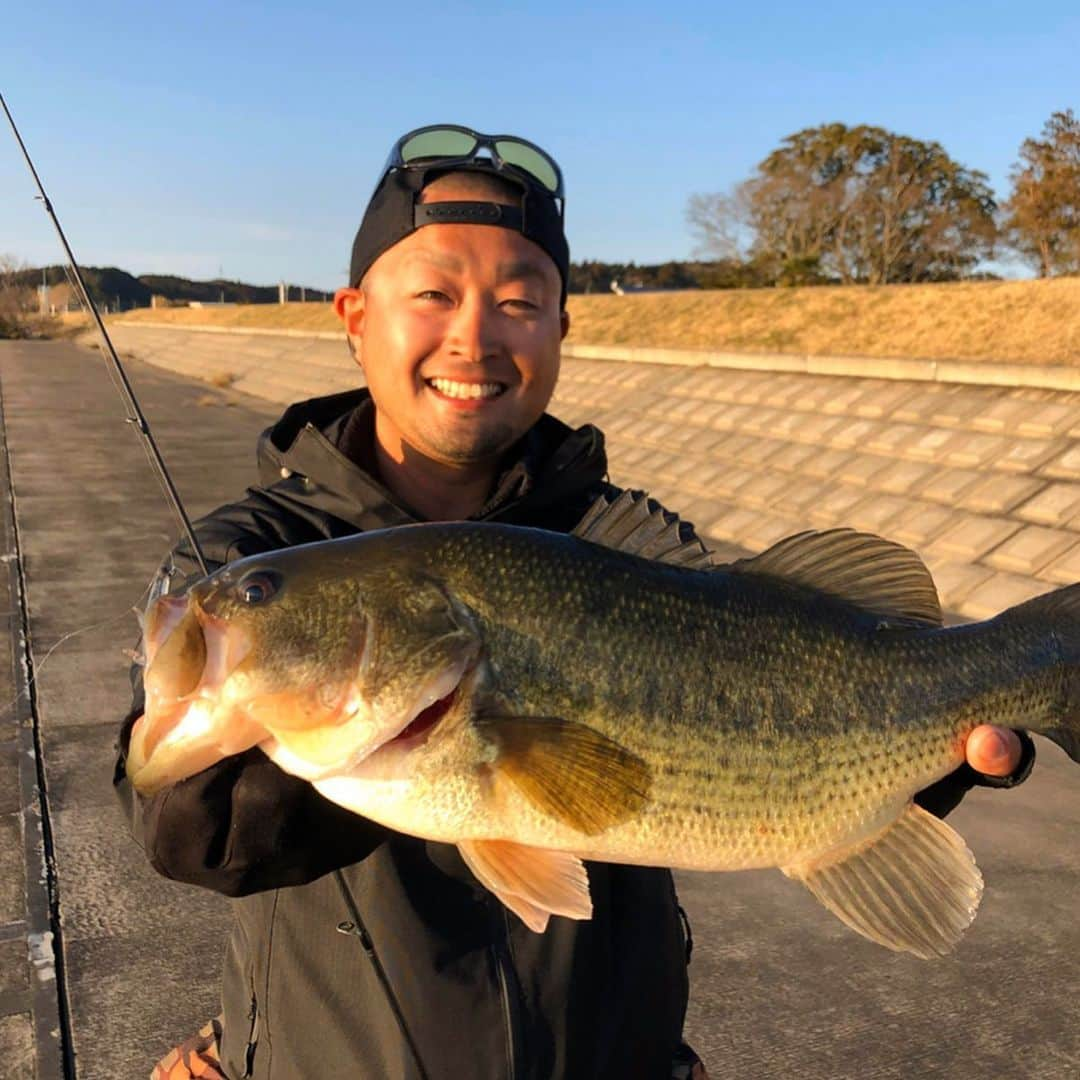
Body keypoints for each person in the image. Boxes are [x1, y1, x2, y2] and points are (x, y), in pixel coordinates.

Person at [115, 125, 1033, 1080]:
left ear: (560, 329)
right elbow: (186, 834)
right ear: (354, 316)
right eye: (433, 294)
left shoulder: (620, 533)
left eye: (519, 302)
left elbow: (767, 710)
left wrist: (927, 748)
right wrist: (404, 732)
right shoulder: (250, 550)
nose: (473, 335)